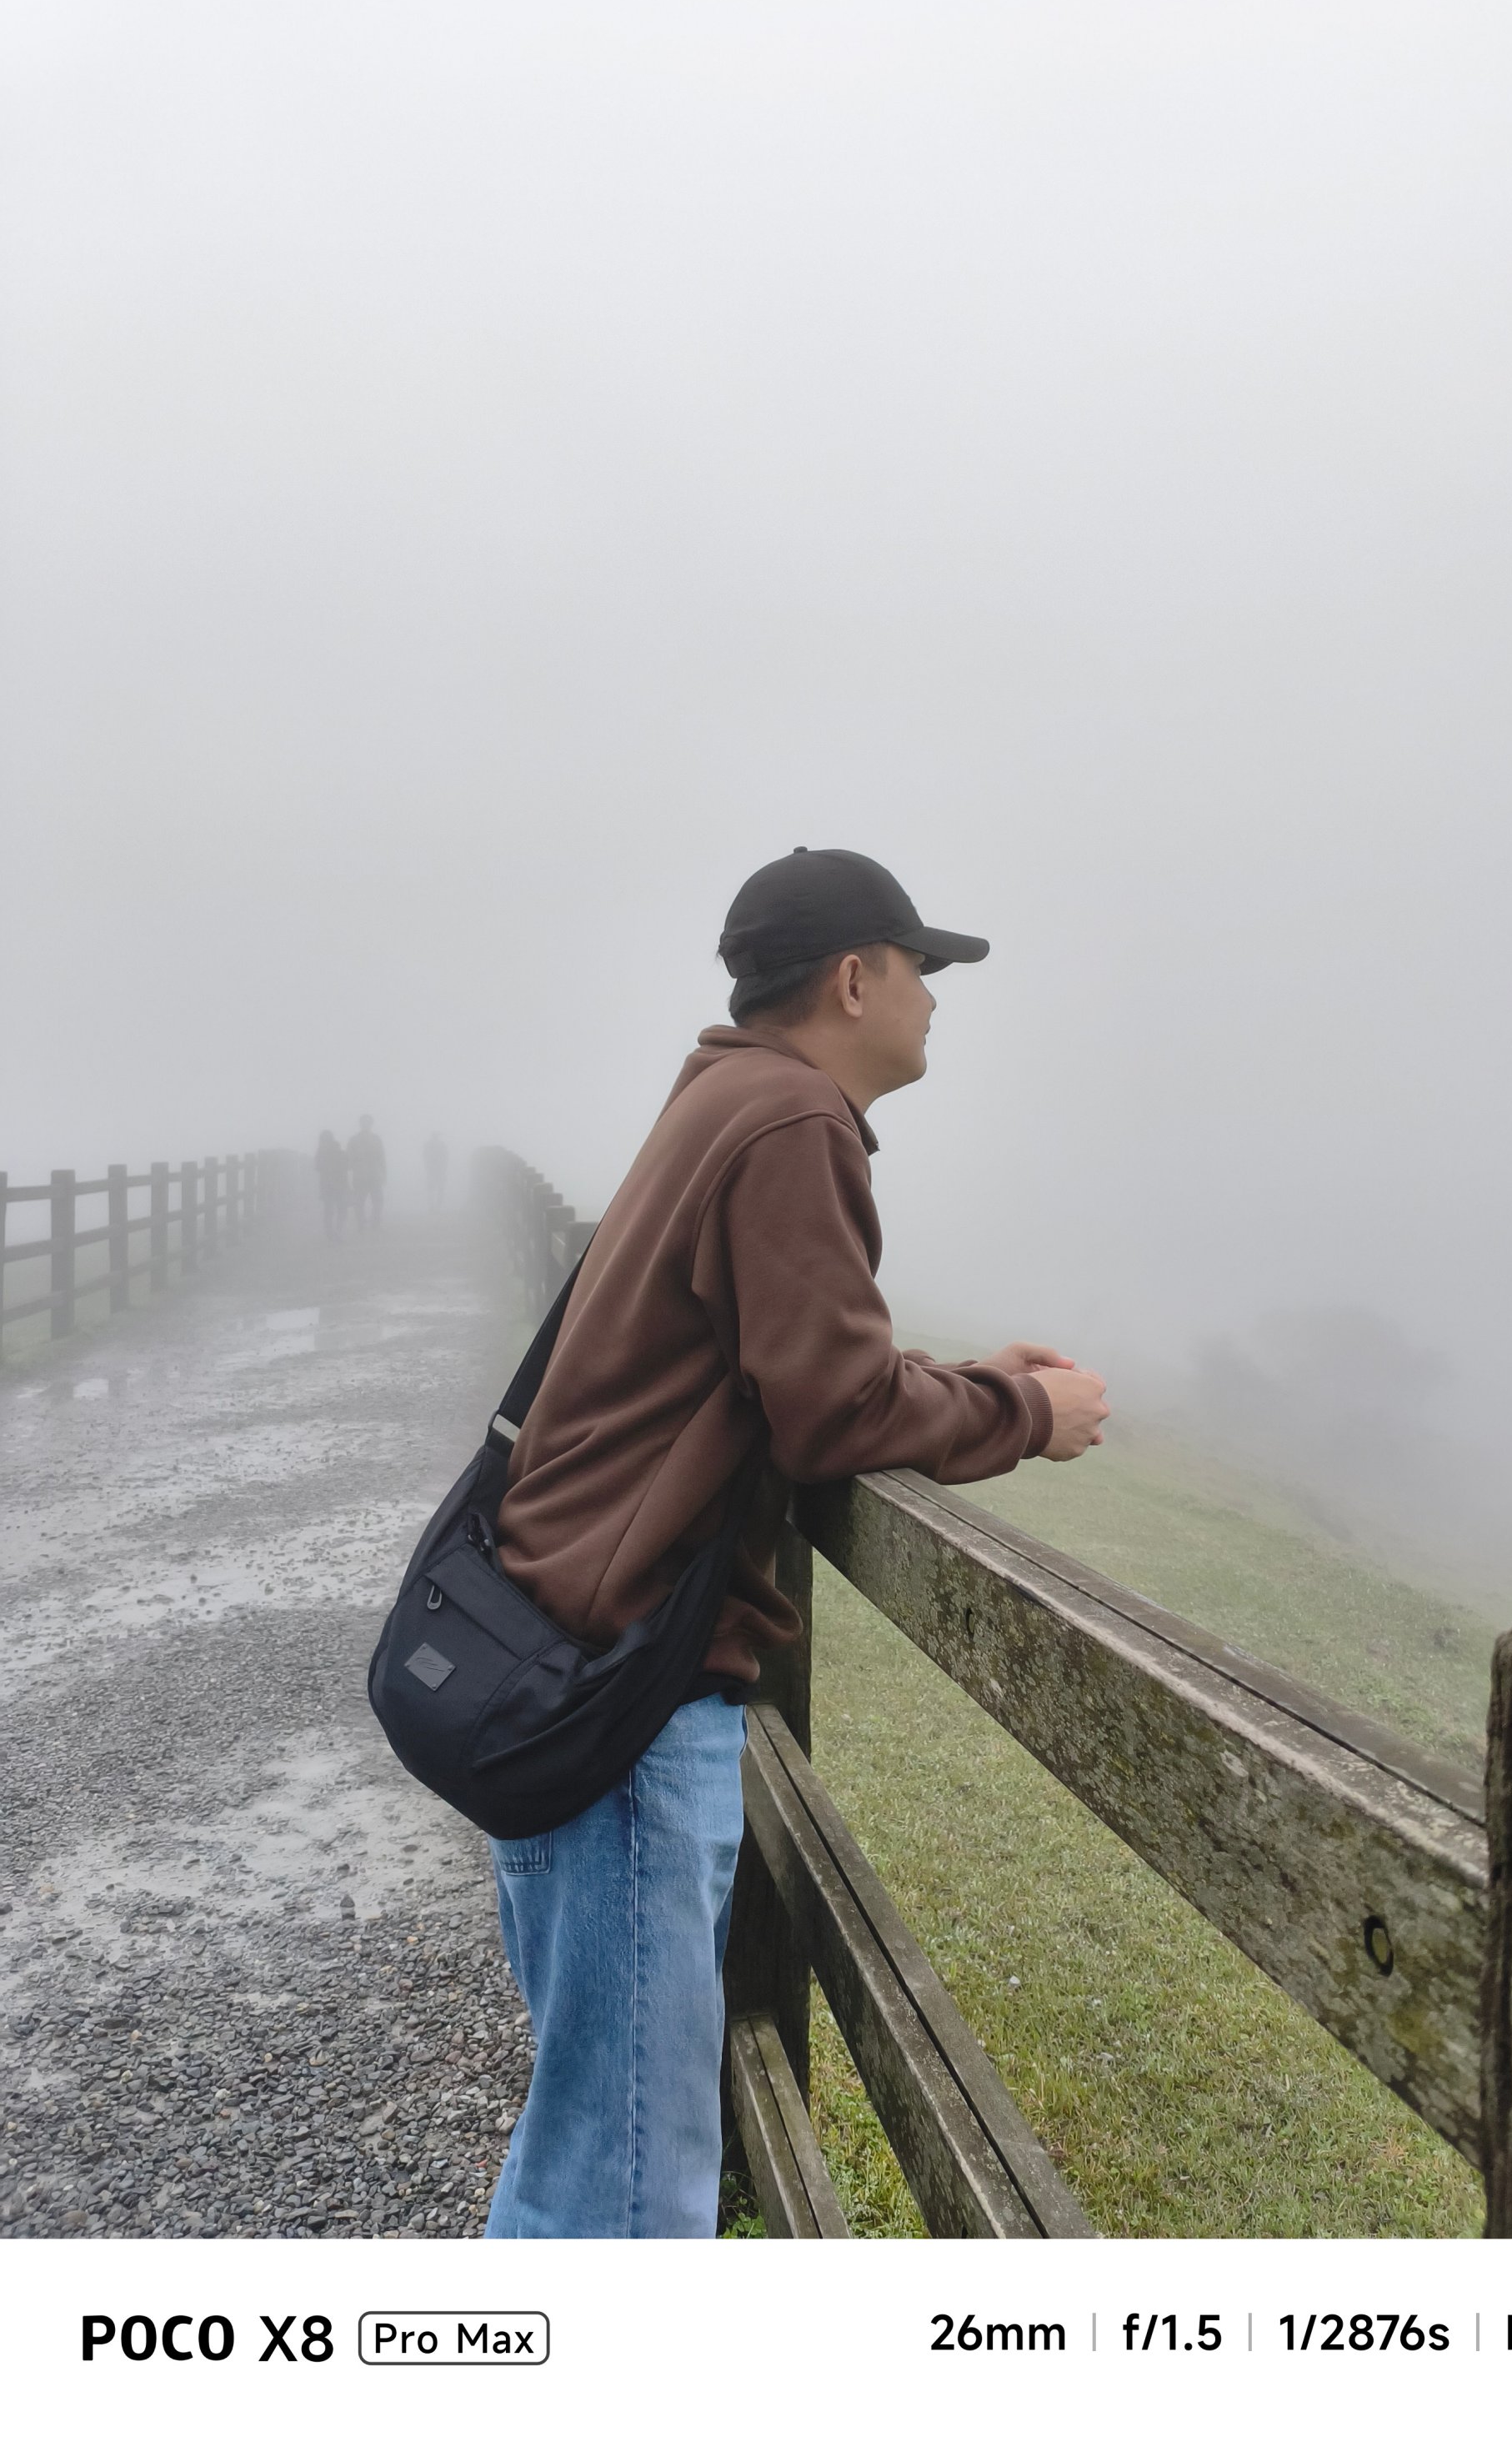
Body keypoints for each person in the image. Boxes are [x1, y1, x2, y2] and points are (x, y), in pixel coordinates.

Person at [485, 846, 1109, 2239]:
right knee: (622, 2195)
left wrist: (958, 1377)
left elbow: (784, 1366)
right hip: (625, 1701)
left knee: (587, 2149)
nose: (934, 997)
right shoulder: (790, 1122)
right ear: (852, 979)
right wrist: (1025, 1413)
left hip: (568, 1669)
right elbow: (831, 1410)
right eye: (920, 967)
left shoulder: (723, 1095)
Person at [348, 1115, 386, 1232]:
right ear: (361, 1124)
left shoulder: (376, 1139)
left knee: (378, 1201)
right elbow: (349, 1159)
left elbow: (382, 1158)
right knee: (359, 1202)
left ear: (371, 1124)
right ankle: (361, 1224)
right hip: (361, 1176)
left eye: (368, 1123)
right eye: (364, 1123)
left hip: (374, 1175)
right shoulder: (354, 1140)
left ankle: (375, 1222)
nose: (366, 1125)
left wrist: (384, 1174)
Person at [313, 1130, 348, 1241]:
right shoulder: (337, 1150)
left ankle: (333, 1233)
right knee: (339, 1209)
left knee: (331, 1210)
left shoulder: (322, 1152)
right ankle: (337, 1231)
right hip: (337, 1184)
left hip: (329, 1185)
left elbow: (318, 1167)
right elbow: (345, 1166)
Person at [423, 1131, 448, 1211]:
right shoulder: (442, 1145)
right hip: (437, 1171)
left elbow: (425, 1157)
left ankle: (434, 1207)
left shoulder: (428, 1145)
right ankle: (436, 1207)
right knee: (437, 1189)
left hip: (434, 1171)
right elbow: (446, 1158)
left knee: (433, 1189)